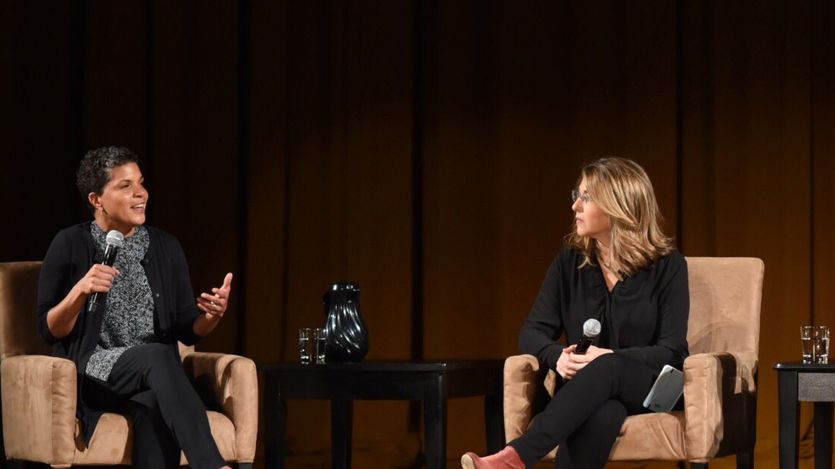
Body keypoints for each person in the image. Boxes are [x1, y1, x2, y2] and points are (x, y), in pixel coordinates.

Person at [461, 157, 689, 469]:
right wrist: (557, 357)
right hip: (591, 394)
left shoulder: (668, 266)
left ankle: (517, 455)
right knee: (602, 414)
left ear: (618, 205)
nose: (575, 207)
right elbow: (531, 331)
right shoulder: (570, 263)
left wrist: (608, 358)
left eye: (586, 197)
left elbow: (671, 349)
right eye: (576, 196)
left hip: (652, 389)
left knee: (608, 366)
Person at [36, 146, 235, 469]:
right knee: (157, 354)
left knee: (155, 405)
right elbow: (48, 330)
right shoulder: (70, 244)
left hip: (155, 376)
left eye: (140, 183)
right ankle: (213, 465)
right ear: (96, 200)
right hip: (97, 373)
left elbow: (186, 327)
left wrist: (211, 316)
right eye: (125, 186)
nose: (140, 193)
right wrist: (79, 292)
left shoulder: (166, 246)